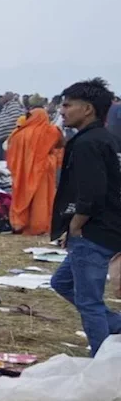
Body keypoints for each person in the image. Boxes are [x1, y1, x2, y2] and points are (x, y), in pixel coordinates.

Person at [49, 78, 121, 355]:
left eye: (67, 105)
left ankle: (101, 362)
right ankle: (114, 324)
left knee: (89, 301)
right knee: (62, 283)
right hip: (109, 226)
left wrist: (76, 225)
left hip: (94, 230)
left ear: (87, 108)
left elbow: (91, 191)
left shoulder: (87, 143)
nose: (62, 111)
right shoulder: (107, 138)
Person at [7, 99, 63, 236]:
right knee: (41, 198)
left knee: (22, 195)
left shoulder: (18, 134)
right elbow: (61, 144)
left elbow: (10, 152)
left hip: (22, 171)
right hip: (42, 169)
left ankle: (20, 223)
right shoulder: (50, 131)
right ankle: (39, 226)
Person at [0, 91, 23, 160]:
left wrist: (3, 127)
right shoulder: (6, 106)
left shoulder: (13, 106)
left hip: (7, 136)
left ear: (8, 97)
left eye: (4, 96)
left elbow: (14, 119)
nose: (3, 98)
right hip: (2, 136)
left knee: (6, 158)